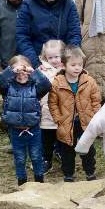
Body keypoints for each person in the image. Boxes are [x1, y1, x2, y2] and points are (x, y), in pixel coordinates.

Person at [0, 55, 51, 186]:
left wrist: (34, 72)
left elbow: (47, 85)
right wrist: (11, 71)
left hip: (33, 130)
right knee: (19, 158)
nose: (21, 74)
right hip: (15, 131)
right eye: (17, 71)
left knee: (36, 156)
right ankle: (22, 182)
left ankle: (39, 181)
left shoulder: (35, 87)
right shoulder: (7, 88)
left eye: (24, 71)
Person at [48, 46, 100, 181]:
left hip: (86, 122)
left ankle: (90, 172)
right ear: (63, 65)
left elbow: (96, 100)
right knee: (66, 151)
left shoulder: (89, 81)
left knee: (88, 149)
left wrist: (95, 116)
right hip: (65, 123)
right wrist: (58, 119)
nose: (77, 68)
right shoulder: (57, 83)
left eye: (80, 64)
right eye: (73, 65)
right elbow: (52, 103)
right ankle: (68, 175)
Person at [16, 0, 81, 68]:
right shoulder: (28, 3)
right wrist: (36, 63)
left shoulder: (69, 5)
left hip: (62, 63)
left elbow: (74, 34)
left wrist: (67, 60)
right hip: (37, 62)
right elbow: (22, 36)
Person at [37, 39, 65, 172]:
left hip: (64, 112)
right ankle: (46, 159)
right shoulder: (42, 71)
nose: (54, 60)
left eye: (57, 57)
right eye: (50, 57)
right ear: (45, 57)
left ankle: (62, 155)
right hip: (47, 112)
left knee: (63, 137)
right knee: (47, 138)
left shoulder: (68, 69)